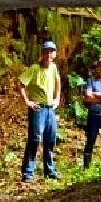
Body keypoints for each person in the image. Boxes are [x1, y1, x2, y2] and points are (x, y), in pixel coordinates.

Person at [19, 40, 61, 183]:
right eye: (46, 51)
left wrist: (57, 98)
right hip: (38, 109)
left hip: (50, 109)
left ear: (54, 54)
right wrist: (27, 101)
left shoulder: (54, 68)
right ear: (42, 54)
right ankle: (28, 172)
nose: (49, 54)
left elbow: (58, 82)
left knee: (50, 139)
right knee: (35, 139)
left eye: (51, 51)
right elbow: (21, 84)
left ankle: (49, 171)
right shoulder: (34, 68)